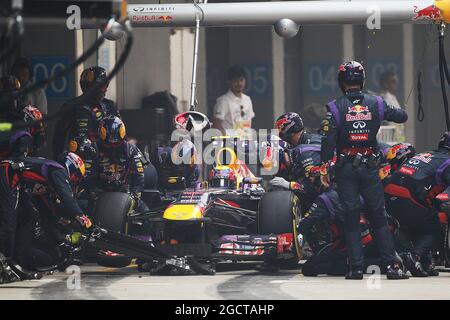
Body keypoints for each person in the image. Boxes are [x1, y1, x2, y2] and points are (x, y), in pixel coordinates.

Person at [320, 60, 409, 280]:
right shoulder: (377, 103)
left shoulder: (334, 107)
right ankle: (391, 266)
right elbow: (402, 116)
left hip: (346, 168)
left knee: (351, 217)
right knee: (378, 215)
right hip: (370, 168)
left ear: (342, 82)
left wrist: (324, 166)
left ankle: (356, 269)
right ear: (362, 81)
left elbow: (328, 142)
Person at [383, 133, 450, 277]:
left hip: (389, 193)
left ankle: (424, 263)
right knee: (434, 227)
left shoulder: (427, 153)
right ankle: (415, 257)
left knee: (421, 221)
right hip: (409, 196)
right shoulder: (447, 160)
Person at [52, 66, 120, 158]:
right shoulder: (72, 106)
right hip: (80, 159)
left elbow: (121, 134)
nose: (105, 90)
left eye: (105, 86)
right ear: (89, 87)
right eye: (101, 86)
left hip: (106, 159)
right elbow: (59, 135)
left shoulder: (110, 106)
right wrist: (59, 159)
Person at [94, 117, 146, 206]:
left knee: (145, 212)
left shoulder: (131, 149)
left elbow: (139, 174)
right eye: (109, 145)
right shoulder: (93, 149)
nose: (113, 146)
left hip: (124, 193)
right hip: (100, 194)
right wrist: (93, 193)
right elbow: (87, 176)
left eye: (116, 144)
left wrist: (135, 195)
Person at [212, 66, 255, 138]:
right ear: (229, 82)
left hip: (246, 144)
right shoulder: (223, 101)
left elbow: (249, 124)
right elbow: (217, 127)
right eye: (236, 81)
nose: (239, 83)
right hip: (230, 145)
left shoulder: (247, 99)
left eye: (241, 80)